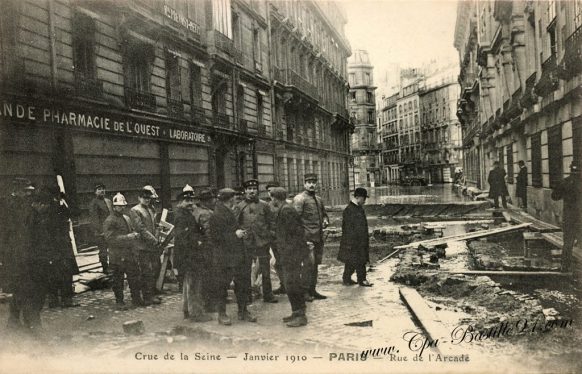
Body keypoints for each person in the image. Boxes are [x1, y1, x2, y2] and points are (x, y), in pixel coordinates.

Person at [209, 188, 256, 325]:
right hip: (224, 256)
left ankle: (243, 311)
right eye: (234, 198)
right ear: (228, 199)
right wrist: (235, 235)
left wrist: (239, 233)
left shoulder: (229, 211)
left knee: (242, 283)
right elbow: (215, 237)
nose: (235, 201)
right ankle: (222, 314)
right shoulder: (217, 215)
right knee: (222, 285)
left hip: (236, 254)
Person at [234, 179, 278, 303]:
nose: (252, 191)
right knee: (246, 270)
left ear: (257, 190)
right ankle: (247, 295)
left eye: (254, 189)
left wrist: (269, 234)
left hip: (262, 242)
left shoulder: (264, 205)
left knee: (265, 269)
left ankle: (268, 295)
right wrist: (239, 232)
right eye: (249, 189)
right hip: (247, 242)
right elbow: (235, 224)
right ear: (245, 191)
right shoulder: (240, 206)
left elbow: (271, 222)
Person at [271, 187, 309, 327]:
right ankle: (296, 312)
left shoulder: (286, 210)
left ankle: (300, 315)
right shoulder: (286, 209)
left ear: (275, 198)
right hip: (290, 253)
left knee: (292, 284)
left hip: (291, 255)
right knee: (291, 284)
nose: (272, 200)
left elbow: (295, 233)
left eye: (272, 198)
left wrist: (288, 252)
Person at [174, 187, 213, 322]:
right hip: (189, 255)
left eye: (191, 200)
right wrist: (199, 242)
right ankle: (196, 313)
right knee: (194, 284)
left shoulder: (186, 214)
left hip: (190, 254)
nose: (190, 203)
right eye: (186, 200)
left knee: (188, 283)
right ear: (180, 202)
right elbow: (184, 238)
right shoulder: (181, 216)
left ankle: (187, 310)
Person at [0, 178, 35, 331]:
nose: (29, 193)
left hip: (25, 251)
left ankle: (15, 321)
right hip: (14, 253)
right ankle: (21, 321)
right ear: (19, 190)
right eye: (26, 191)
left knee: (23, 287)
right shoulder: (7, 206)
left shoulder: (23, 204)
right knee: (22, 286)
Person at [293, 173, 329, 301]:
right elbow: (295, 220)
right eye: (309, 182)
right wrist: (302, 239)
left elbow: (324, 214)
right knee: (308, 265)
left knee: (315, 266)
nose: (312, 184)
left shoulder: (318, 199)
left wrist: (325, 220)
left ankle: (312, 290)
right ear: (304, 184)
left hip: (318, 237)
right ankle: (304, 292)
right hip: (307, 239)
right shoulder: (299, 199)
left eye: (314, 182)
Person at [103, 192, 142, 309]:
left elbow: (131, 230)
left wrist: (134, 237)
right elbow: (110, 239)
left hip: (129, 254)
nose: (122, 208)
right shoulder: (109, 220)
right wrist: (127, 237)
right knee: (118, 280)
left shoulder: (126, 218)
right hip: (117, 255)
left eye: (123, 206)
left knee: (134, 277)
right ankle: (119, 301)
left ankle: (136, 299)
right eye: (119, 206)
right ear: (114, 207)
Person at [46, 185, 80, 308]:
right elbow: (68, 215)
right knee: (63, 273)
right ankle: (64, 300)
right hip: (59, 246)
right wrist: (63, 203)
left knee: (54, 273)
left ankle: (55, 300)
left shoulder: (53, 208)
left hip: (59, 245)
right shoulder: (56, 209)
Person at [130, 186, 162, 306]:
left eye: (148, 198)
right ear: (139, 198)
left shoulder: (150, 208)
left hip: (152, 245)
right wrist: (153, 239)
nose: (147, 200)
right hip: (142, 246)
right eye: (144, 198)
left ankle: (152, 293)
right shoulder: (135, 210)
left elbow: (153, 224)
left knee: (155, 268)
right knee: (146, 271)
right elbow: (140, 228)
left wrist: (158, 232)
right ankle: (147, 296)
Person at [338, 188, 373, 287]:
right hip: (354, 241)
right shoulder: (349, 210)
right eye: (364, 198)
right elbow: (348, 229)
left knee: (351, 261)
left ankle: (346, 278)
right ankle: (362, 279)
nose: (365, 201)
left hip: (358, 240)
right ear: (358, 197)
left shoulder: (357, 208)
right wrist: (354, 242)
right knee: (359, 260)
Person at [551, 161, 582, 272]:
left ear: (570, 169)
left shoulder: (565, 182)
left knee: (568, 243)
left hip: (569, 217)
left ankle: (565, 267)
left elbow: (554, 197)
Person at [192, 188, 216, 312]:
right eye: (211, 199)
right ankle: (209, 304)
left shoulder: (196, 211)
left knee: (202, 276)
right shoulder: (206, 214)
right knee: (209, 275)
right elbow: (209, 233)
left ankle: (204, 302)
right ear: (206, 201)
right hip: (207, 249)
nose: (213, 201)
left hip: (199, 248)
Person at [266, 181, 286, 295]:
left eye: (273, 191)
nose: (271, 193)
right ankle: (283, 284)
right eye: (269, 191)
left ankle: (289, 284)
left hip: (283, 238)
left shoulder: (285, 205)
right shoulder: (267, 205)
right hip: (273, 238)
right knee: (277, 262)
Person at [89, 182, 113, 273]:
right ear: (95, 192)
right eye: (99, 189)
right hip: (101, 231)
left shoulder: (108, 201)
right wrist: (100, 230)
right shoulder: (94, 203)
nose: (102, 191)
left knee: (112, 249)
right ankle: (105, 268)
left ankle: (112, 266)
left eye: (103, 189)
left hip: (110, 230)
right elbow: (94, 218)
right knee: (103, 250)